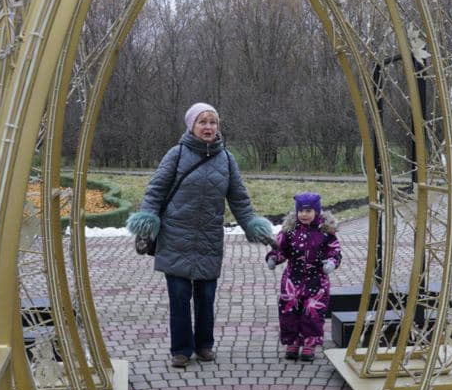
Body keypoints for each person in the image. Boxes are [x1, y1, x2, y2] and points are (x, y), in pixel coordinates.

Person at [127, 103, 274, 368]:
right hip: (175, 236)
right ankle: (181, 350)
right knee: (180, 296)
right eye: (203, 122)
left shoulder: (227, 159)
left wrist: (252, 224)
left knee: (206, 297)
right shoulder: (177, 154)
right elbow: (155, 190)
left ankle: (204, 345)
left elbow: (239, 199)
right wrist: (148, 219)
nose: (208, 127)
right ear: (191, 126)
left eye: (213, 122)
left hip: (209, 238)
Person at [265, 191, 341, 361]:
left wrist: (331, 262)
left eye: (308, 211)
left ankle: (309, 343)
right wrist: (274, 258)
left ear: (316, 212)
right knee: (289, 311)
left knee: (313, 312)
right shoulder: (290, 231)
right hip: (293, 279)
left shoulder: (326, 232)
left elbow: (335, 250)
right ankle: (292, 341)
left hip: (317, 280)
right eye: (301, 211)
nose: (304, 215)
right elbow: (281, 249)